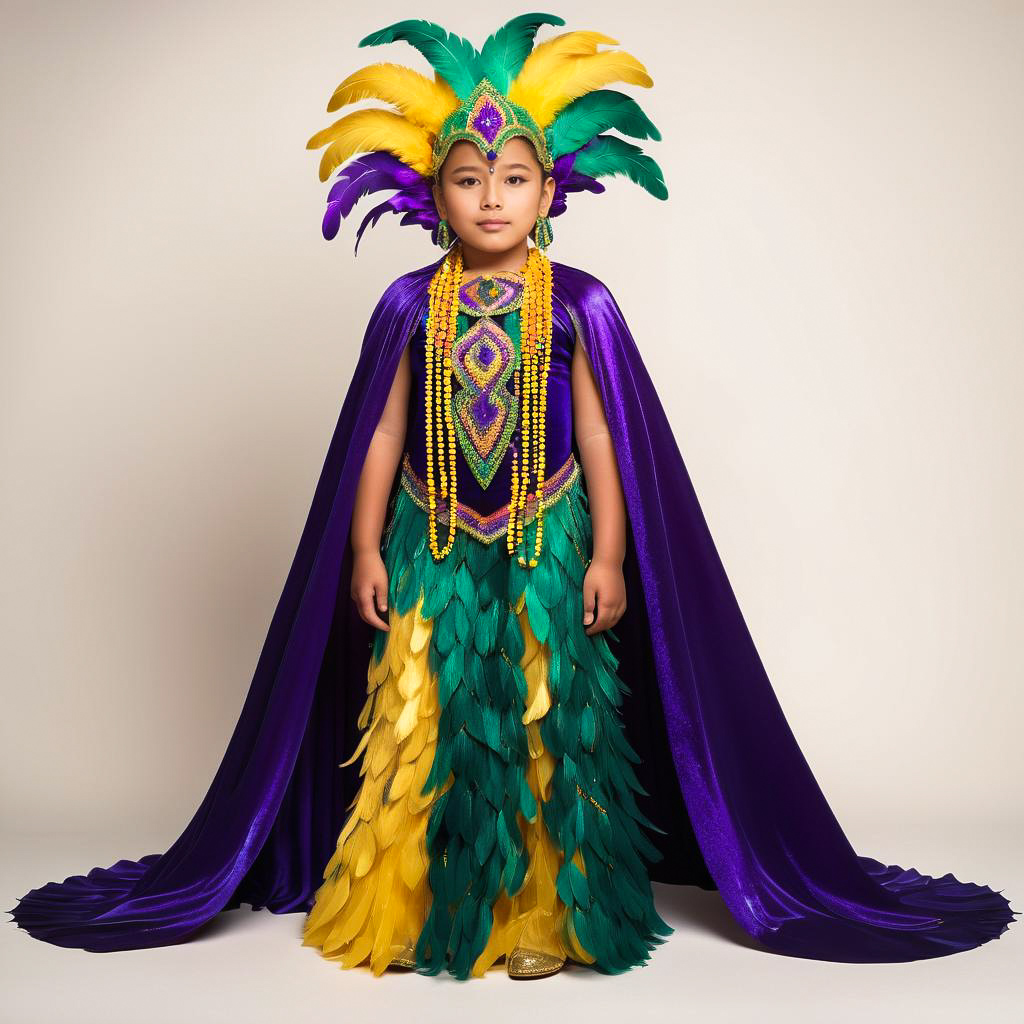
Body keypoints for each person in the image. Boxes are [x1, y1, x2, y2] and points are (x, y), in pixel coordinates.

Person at [9, 13, 1016, 983]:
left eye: (515, 178)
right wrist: (363, 549)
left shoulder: (580, 303)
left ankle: (546, 914)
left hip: (548, 543)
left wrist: (611, 555)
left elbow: (598, 436)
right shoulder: (408, 303)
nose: (492, 196)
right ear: (429, 192)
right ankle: (406, 910)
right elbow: (385, 433)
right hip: (427, 543)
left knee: (545, 723)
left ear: (550, 191)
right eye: (468, 178)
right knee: (422, 718)